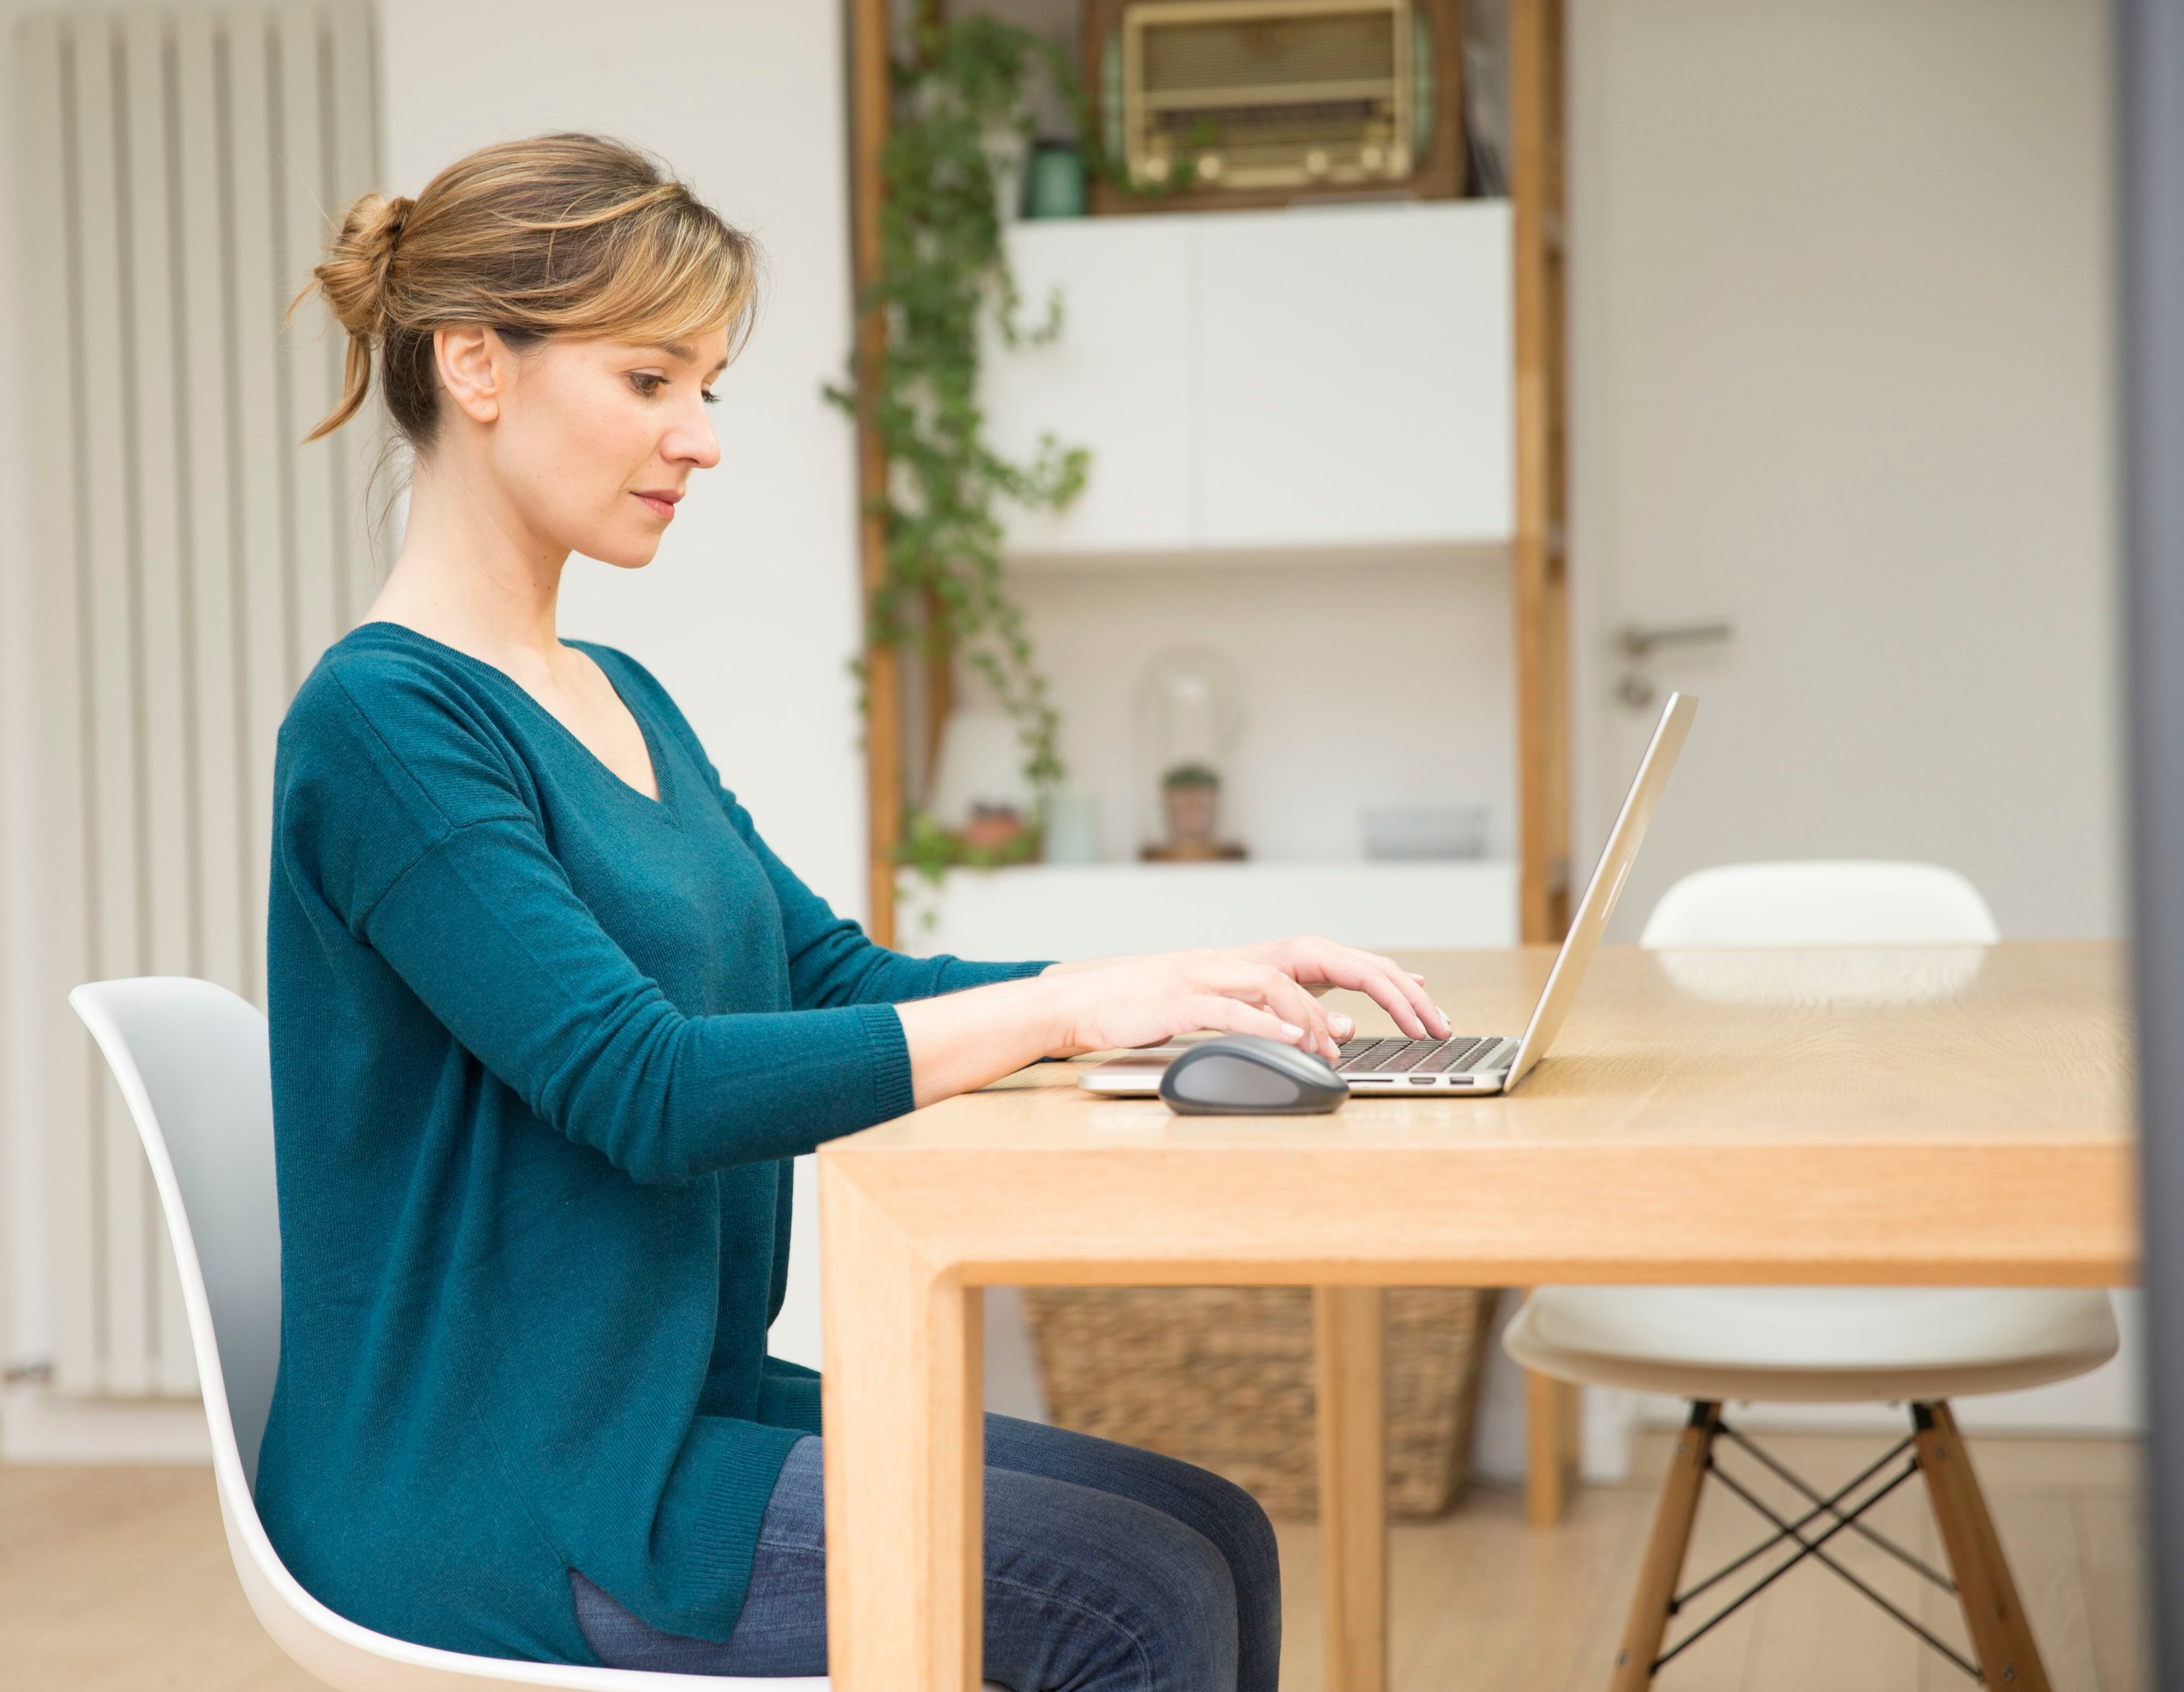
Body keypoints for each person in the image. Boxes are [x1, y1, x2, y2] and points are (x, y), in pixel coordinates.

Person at [259, 132, 1450, 1692]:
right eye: (649, 381)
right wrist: (1061, 1014)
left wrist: (1157, 980)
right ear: (475, 364)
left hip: (661, 1405)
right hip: (502, 1478)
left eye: (710, 389)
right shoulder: (384, 725)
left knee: (1212, 1525)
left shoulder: (615, 694)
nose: (699, 437)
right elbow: (649, 1088)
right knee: (1131, 1595)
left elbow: (820, 973)